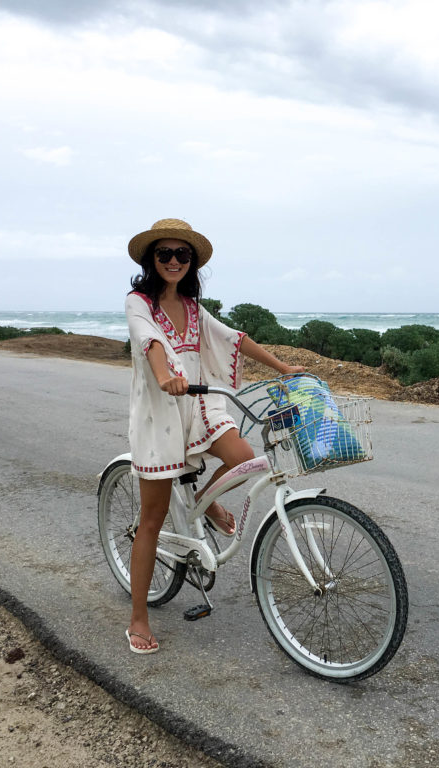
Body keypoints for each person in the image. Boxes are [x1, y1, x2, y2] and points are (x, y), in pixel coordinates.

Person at [123, 218, 304, 654]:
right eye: (164, 254)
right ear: (151, 259)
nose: (172, 261)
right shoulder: (138, 301)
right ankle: (138, 619)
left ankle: (206, 504)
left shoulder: (192, 306)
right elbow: (147, 341)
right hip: (161, 413)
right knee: (152, 518)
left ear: (192, 262)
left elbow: (234, 339)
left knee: (243, 457)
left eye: (181, 254)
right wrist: (166, 375)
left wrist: (284, 369)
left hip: (202, 406)